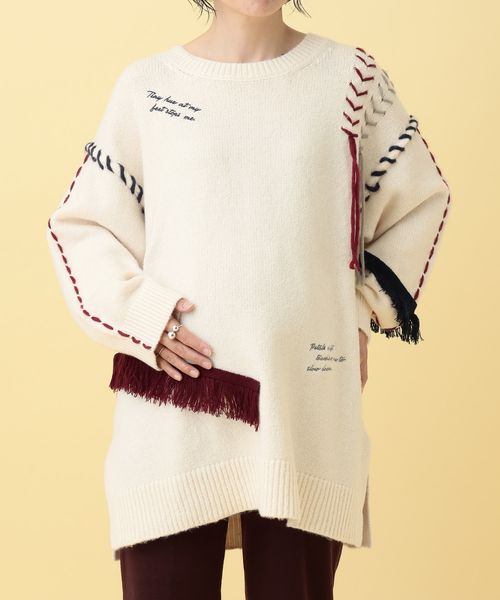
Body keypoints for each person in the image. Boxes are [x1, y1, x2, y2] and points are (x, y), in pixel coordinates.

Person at [45, 1, 451, 598]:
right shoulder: (147, 88)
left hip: (303, 411)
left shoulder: (351, 80)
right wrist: (144, 318)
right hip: (173, 416)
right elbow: (83, 226)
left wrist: (362, 314)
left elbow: (419, 200)